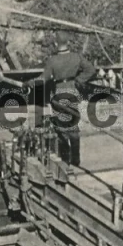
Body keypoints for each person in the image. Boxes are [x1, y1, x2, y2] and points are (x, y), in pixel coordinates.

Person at [35, 33, 97, 167]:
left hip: (59, 93)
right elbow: (91, 69)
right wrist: (78, 80)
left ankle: (65, 160)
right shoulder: (76, 57)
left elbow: (43, 78)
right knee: (73, 125)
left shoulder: (52, 60)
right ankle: (76, 160)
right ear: (68, 43)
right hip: (72, 92)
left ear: (56, 44)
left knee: (62, 127)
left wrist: (29, 83)